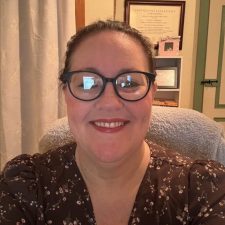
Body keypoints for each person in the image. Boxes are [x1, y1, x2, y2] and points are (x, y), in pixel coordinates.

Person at [0, 20, 225, 225]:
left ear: (152, 93)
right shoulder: (24, 188)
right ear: (66, 94)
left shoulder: (203, 190)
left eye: (129, 83)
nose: (109, 103)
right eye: (88, 83)